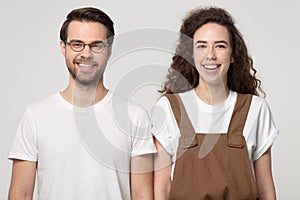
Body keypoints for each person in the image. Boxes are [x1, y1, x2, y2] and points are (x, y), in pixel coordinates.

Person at [8, 7, 155, 200]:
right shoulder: (35, 117)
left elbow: (142, 194)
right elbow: (20, 194)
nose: (86, 53)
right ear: (63, 47)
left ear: (109, 49)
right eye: (77, 44)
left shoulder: (135, 116)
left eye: (97, 45)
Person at [152, 7, 279, 200]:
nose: (210, 55)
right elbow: (161, 189)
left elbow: (266, 189)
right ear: (191, 54)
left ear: (233, 54)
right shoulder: (168, 108)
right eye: (201, 46)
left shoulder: (255, 109)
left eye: (220, 46)